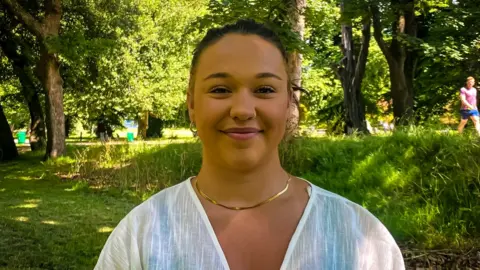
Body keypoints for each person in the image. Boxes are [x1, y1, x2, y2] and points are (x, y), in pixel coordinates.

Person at [95, 20, 405, 270]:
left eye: (265, 89)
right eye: (220, 89)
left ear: (288, 103)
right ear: (192, 103)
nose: (242, 110)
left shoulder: (360, 238)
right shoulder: (140, 237)